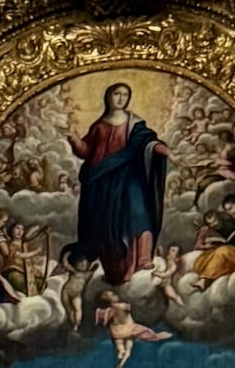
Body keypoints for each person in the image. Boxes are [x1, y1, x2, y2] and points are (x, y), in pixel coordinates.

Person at [69, 81, 169, 285]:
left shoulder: (135, 123)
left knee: (139, 213)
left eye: (125, 95)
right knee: (108, 224)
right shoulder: (99, 125)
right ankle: (117, 268)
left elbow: (147, 141)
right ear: (108, 97)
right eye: (117, 94)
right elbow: (87, 152)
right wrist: (75, 141)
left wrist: (161, 148)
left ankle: (143, 258)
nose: (121, 98)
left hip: (130, 176)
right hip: (103, 181)